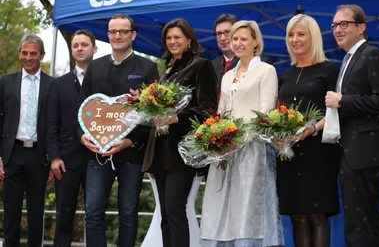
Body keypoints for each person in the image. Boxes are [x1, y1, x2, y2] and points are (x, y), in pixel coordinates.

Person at [77, 14, 159, 247]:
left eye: (123, 31)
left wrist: (131, 141)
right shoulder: (95, 66)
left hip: (131, 154)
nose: (118, 36)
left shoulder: (148, 67)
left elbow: (153, 115)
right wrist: (82, 136)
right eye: (113, 31)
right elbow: (81, 107)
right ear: (108, 35)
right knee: (93, 213)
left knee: (128, 214)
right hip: (97, 152)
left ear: (133, 34)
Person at [200, 20, 284, 247]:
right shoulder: (228, 76)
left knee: (247, 206)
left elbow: (264, 113)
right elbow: (221, 114)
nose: (237, 43)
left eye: (243, 39)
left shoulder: (267, 70)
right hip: (224, 152)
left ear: (255, 42)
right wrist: (215, 140)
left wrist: (237, 141)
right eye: (234, 38)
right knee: (220, 207)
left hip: (251, 149)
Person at [142, 18, 218, 247]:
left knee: (175, 210)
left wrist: (176, 117)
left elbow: (208, 109)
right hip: (160, 152)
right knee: (165, 214)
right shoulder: (165, 71)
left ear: (189, 40)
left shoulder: (201, 65)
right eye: (169, 38)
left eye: (177, 37)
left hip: (182, 154)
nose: (172, 41)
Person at [325, 4, 379, 247]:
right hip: (355, 151)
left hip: (365, 151)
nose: (337, 29)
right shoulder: (349, 58)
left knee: (359, 222)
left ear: (361, 27)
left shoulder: (371, 54)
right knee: (371, 218)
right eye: (334, 25)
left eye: (344, 24)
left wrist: (342, 100)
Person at [277, 14, 340, 247]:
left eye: (301, 34)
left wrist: (313, 128)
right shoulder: (284, 75)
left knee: (317, 215)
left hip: (318, 153)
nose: (295, 39)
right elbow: (278, 113)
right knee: (297, 217)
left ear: (312, 37)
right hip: (289, 155)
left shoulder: (329, 70)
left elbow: (335, 112)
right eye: (291, 35)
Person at [0, 34, 53, 247]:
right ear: (20, 53)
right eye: (25, 53)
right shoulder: (5, 82)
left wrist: (53, 158)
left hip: (40, 156)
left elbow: (54, 125)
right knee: (11, 212)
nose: (28, 57)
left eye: (33, 53)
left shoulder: (52, 85)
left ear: (42, 55)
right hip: (12, 153)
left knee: (36, 212)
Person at [47, 29, 98, 247]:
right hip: (66, 160)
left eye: (84, 45)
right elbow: (51, 124)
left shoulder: (104, 82)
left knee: (96, 217)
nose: (79, 48)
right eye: (75, 45)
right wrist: (54, 157)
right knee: (64, 218)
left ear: (94, 49)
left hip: (98, 158)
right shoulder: (58, 84)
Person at [212, 14, 273, 91]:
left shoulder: (261, 63)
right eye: (219, 34)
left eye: (227, 32)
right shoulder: (211, 66)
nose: (222, 38)